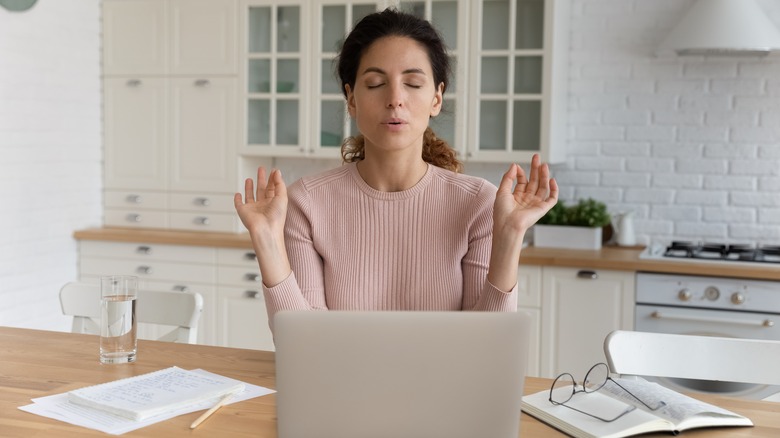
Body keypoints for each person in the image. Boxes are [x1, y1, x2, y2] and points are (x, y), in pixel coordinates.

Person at [234, 8, 558, 332]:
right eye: (375, 83)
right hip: (343, 383)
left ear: (436, 98)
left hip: (445, 383)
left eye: (413, 83)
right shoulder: (307, 203)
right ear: (351, 99)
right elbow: (303, 343)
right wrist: (266, 239)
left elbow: (488, 347)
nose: (395, 99)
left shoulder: (478, 204)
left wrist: (511, 235)